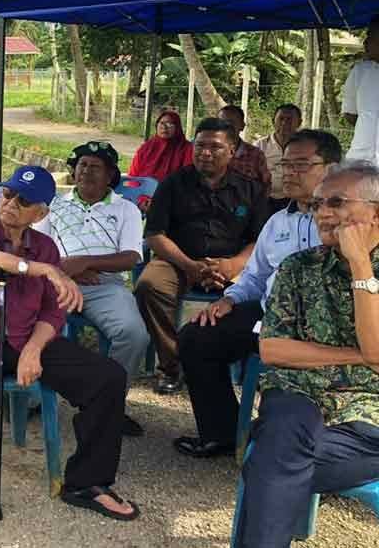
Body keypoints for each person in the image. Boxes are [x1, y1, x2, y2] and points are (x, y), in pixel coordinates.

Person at [0, 166, 139, 537]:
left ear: (40, 213)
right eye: (8, 193)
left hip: (25, 338)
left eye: (23, 201)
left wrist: (34, 351)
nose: (10, 203)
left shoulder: (45, 247)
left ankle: (87, 482)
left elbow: (51, 312)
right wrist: (45, 271)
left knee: (108, 378)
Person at [234, 161, 379, 548]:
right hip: (301, 398)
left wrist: (361, 264)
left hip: (370, 413)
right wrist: (357, 356)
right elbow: (272, 348)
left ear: (376, 212)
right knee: (281, 436)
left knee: (268, 463)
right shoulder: (299, 267)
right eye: (317, 205)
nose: (323, 213)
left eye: (337, 202)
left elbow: (377, 349)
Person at [175, 130, 342, 458]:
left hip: (326, 328)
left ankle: (319, 451)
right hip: (269, 316)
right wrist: (229, 300)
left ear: (332, 169)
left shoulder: (346, 220)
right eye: (286, 165)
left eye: (302, 166)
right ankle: (222, 433)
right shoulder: (278, 222)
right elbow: (255, 276)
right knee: (196, 337)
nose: (290, 173)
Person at [135, 117, 269, 394]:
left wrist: (233, 265)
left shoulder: (251, 189)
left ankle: (230, 367)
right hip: (178, 260)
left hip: (232, 265)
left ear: (232, 151)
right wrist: (190, 265)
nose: (205, 153)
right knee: (150, 286)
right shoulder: (174, 183)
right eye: (200, 146)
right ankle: (172, 365)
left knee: (258, 296)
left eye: (215, 147)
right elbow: (155, 234)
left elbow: (259, 240)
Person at [34, 141, 149, 436]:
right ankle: (32, 397)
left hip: (104, 284)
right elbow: (34, 249)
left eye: (95, 167)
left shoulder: (127, 210)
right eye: (82, 165)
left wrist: (84, 263)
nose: (86, 171)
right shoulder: (52, 205)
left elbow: (131, 257)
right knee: (26, 322)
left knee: (134, 334)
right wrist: (64, 268)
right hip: (54, 280)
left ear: (111, 175)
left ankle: (108, 405)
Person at [342, 15, 379, 165]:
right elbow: (350, 114)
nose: (365, 42)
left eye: (371, 36)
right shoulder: (360, 72)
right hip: (359, 159)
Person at [254, 104, 303, 213]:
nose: (284, 123)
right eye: (281, 119)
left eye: (290, 119)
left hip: (296, 199)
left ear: (299, 123)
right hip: (265, 199)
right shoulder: (260, 145)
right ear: (273, 121)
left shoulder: (305, 147)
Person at [128, 109, 193, 182]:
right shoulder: (147, 147)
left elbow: (188, 177)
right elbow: (133, 174)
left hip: (173, 191)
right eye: (161, 123)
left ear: (177, 127)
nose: (164, 127)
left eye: (169, 124)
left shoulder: (186, 148)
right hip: (142, 190)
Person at [218, 105, 271, 185]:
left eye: (232, 122)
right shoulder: (208, 152)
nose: (227, 126)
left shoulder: (256, 155)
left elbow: (265, 184)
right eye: (222, 122)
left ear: (242, 126)